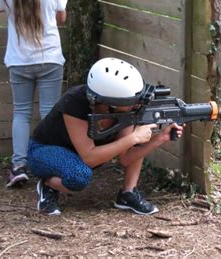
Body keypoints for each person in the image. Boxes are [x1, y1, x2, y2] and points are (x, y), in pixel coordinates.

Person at [27, 57, 184, 216]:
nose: (137, 104)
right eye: (132, 101)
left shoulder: (127, 110)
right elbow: (90, 157)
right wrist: (133, 138)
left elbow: (126, 158)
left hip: (80, 156)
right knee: (79, 176)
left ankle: (128, 193)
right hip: (44, 150)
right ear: (111, 103)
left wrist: (159, 139)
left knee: (81, 169)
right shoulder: (74, 102)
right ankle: (48, 184)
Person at [0, 0, 68, 187]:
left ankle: (18, 166)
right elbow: (61, 20)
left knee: (21, 113)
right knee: (49, 113)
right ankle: (49, 166)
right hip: (49, 60)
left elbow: (0, 5)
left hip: (18, 62)